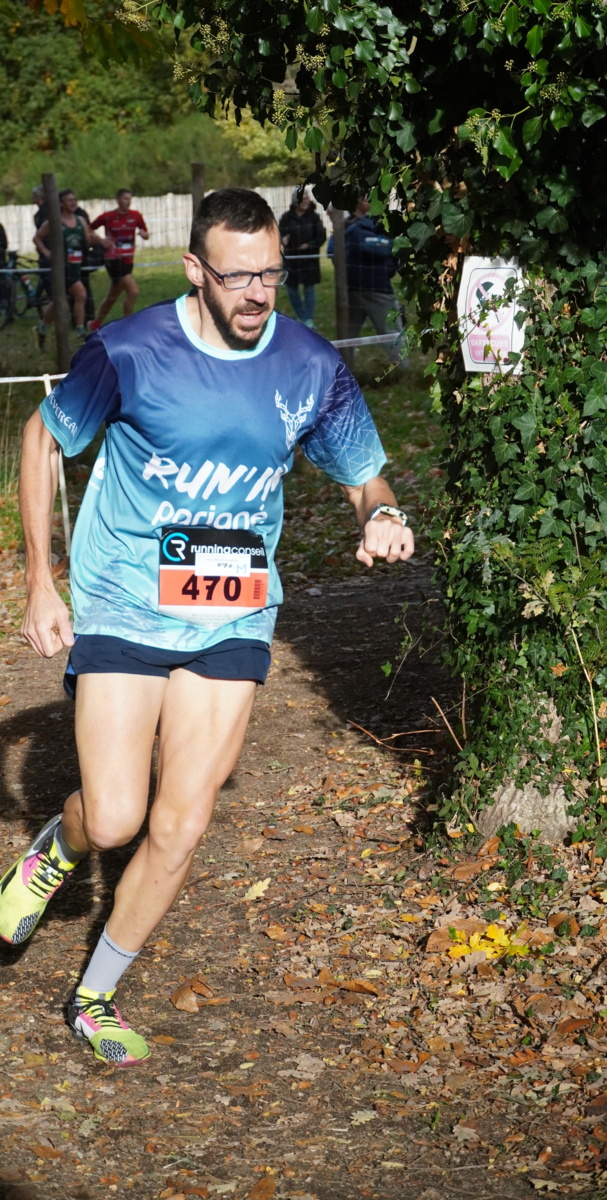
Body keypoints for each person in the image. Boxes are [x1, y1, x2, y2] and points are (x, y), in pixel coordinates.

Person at [1, 187, 414, 1067]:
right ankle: (57, 849)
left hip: (235, 610)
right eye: (237, 277)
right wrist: (41, 583)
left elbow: (363, 473)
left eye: (271, 273)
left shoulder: (310, 363)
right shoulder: (129, 351)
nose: (257, 293)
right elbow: (41, 440)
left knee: (181, 824)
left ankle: (95, 994)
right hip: (126, 597)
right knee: (116, 817)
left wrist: (379, 512)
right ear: (195, 269)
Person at [32, 189, 109, 348]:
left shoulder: (80, 221)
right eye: (69, 200)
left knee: (60, 300)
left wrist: (97, 241)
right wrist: (47, 252)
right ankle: (81, 331)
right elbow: (37, 238)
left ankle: (42, 328)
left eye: (74, 199)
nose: (73, 203)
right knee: (81, 294)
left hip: (76, 265)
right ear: (61, 204)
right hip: (61, 267)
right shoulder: (54, 222)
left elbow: (87, 241)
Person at [345, 197, 406, 368]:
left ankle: (342, 371)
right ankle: (403, 370)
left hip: (352, 287)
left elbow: (335, 253)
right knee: (392, 332)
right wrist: (387, 271)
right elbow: (396, 256)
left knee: (347, 334)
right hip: (379, 287)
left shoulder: (350, 229)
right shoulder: (388, 230)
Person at [88, 189, 149, 330]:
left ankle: (95, 323)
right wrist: (101, 240)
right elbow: (89, 228)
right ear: (118, 200)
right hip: (113, 259)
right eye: (125, 198)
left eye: (130, 199)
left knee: (113, 296)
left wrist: (143, 234)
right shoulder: (108, 216)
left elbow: (146, 233)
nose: (128, 202)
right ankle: (127, 326)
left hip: (128, 260)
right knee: (133, 291)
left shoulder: (136, 216)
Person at [278, 190, 326, 329]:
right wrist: (282, 239)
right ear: (295, 201)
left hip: (309, 259)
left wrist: (309, 245)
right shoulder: (286, 217)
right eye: (302, 198)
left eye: (307, 198)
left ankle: (308, 320)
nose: (306, 201)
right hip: (292, 259)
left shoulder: (314, 217)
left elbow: (321, 237)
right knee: (292, 290)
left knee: (309, 289)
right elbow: (279, 233)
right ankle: (302, 316)